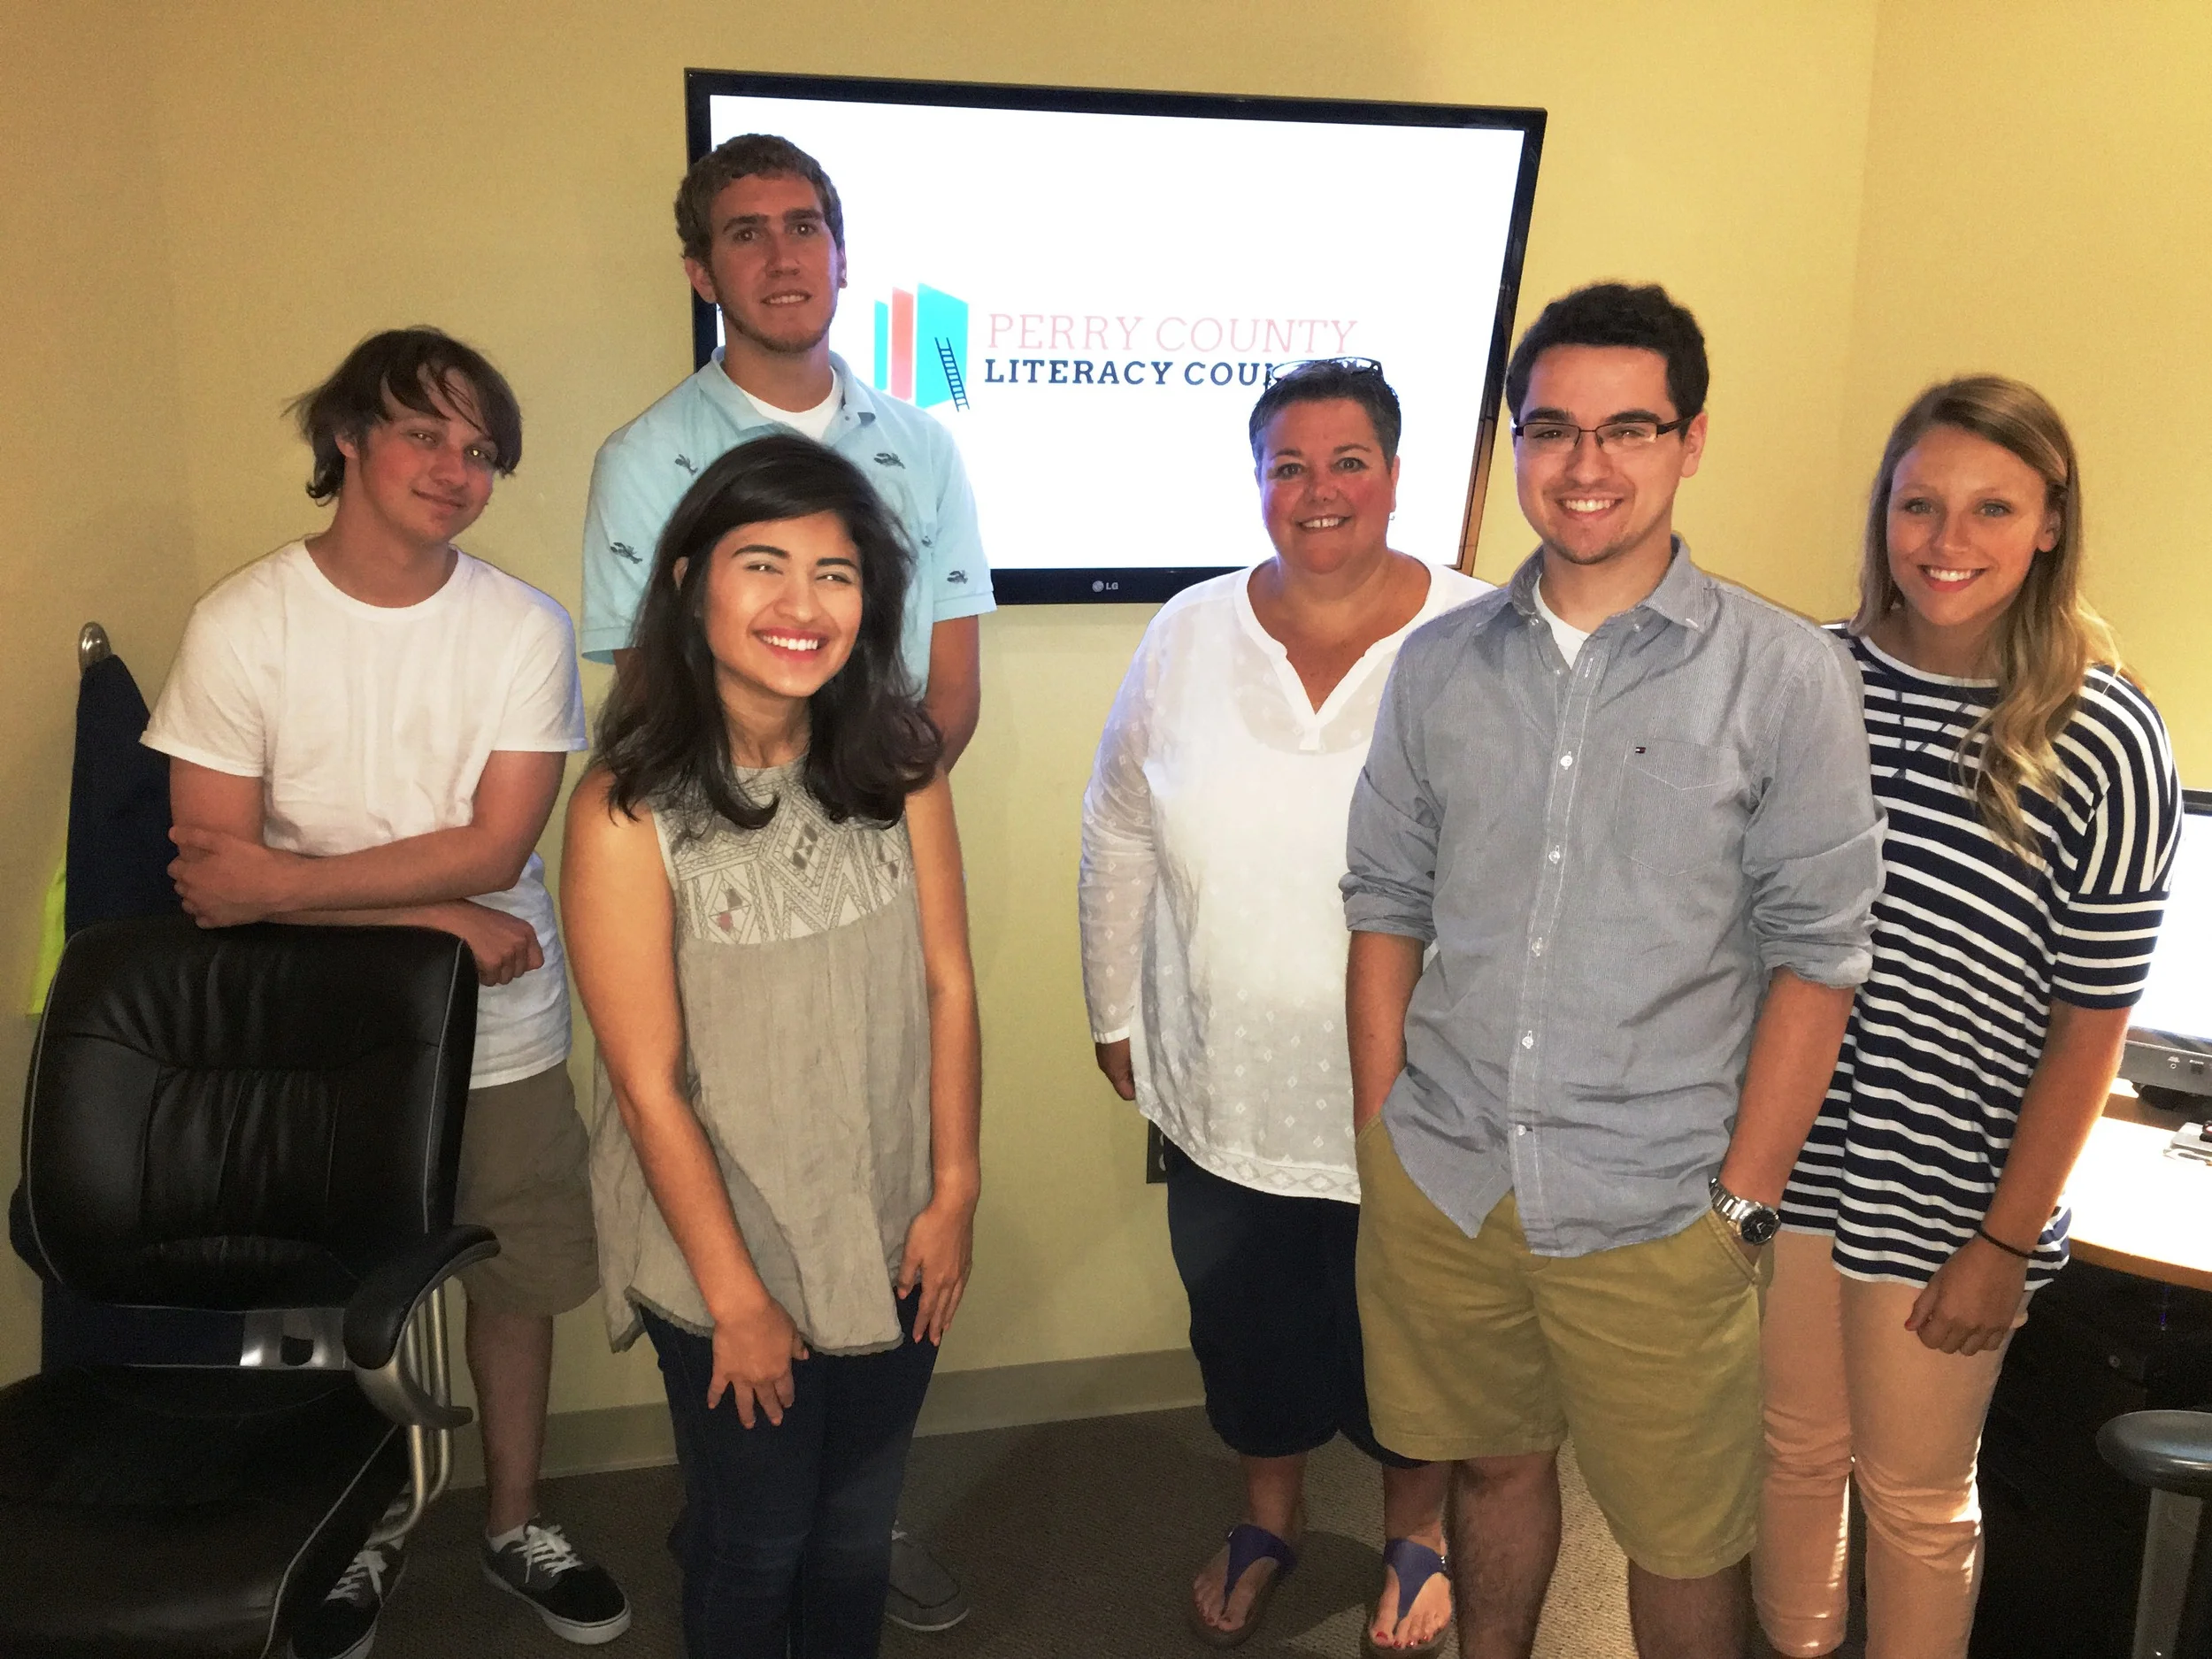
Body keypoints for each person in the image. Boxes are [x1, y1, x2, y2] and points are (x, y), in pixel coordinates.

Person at [1340, 282, 1885, 1659]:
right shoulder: (1439, 666)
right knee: (1493, 1468)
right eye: (1552, 428)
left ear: (1690, 439)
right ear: (1515, 443)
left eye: (1627, 428)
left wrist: (1744, 1198)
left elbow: (1820, 956)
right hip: (1451, 1178)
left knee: (1684, 1540)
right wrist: (1382, 1126)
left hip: (1662, 1201)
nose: (1585, 464)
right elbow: (1386, 903)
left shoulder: (1784, 675)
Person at [142, 328, 630, 1658]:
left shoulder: (522, 626)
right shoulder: (244, 621)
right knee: (313, 1293)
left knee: (515, 1275)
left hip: (500, 1026)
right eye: (426, 433)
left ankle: (514, 1520)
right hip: (307, 1032)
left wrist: (302, 886)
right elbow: (211, 871)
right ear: (349, 438)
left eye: (482, 451)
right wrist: (432, 915)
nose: (456, 469)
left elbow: (495, 851)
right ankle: (342, 1533)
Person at [583, 137, 987, 1625]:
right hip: (730, 1236)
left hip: (889, 1208)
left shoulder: (903, 765)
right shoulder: (629, 812)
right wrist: (737, 1296)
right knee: (753, 1545)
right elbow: (648, 1083)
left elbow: (950, 985)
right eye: (760, 564)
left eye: (835, 572)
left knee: (852, 1535)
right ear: (689, 581)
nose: (801, 602)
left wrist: (955, 1189)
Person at [1754, 378, 2179, 1659]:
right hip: (1792, 1155)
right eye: (1919, 504)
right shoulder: (1811, 678)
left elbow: (2092, 1019)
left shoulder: (2104, 729)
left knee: (1914, 1497)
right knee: (1790, 1452)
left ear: (2050, 524)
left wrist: (2003, 1241)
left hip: (1953, 1190)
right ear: (1882, 513)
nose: (1947, 539)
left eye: (1992, 508)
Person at [1080, 360, 1486, 1655]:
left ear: (1396, 476)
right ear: (1257, 482)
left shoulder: (1479, 635)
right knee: (1246, 1328)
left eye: (1348, 460)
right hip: (1225, 1082)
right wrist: (1110, 1007)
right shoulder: (1187, 630)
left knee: (1409, 1336)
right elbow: (1117, 823)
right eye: (1288, 466)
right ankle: (1269, 1518)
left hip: (1418, 1093)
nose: (1319, 489)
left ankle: (1417, 1534)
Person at [580, 132, 993, 771]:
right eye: (747, 235)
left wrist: (881, 809)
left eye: (803, 229)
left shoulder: (926, 448)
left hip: (890, 808)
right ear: (702, 276)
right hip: (720, 816)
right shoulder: (641, 460)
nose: (782, 260)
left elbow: (953, 694)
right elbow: (654, 697)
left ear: (841, 260)